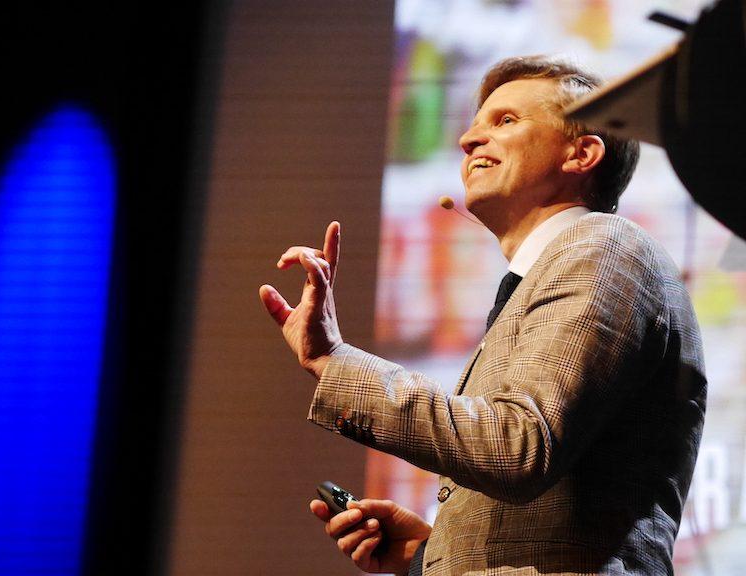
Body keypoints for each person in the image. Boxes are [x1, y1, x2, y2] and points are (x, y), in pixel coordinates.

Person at [259, 56, 707, 575]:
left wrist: (335, 361)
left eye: (506, 121)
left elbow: (519, 445)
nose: (468, 141)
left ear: (581, 152)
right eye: (473, 126)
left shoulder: (603, 246)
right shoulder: (548, 273)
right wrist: (431, 553)